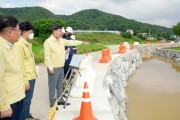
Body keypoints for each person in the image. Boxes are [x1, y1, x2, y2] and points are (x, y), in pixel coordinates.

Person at [44, 24, 89, 110]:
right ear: (54, 31)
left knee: (60, 84)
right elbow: (47, 56)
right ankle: (52, 103)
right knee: (52, 86)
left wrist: (82, 42)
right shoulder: (48, 42)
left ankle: (60, 100)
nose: (61, 33)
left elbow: (71, 42)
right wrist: (50, 68)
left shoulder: (61, 40)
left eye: (61, 31)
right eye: (60, 31)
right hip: (53, 68)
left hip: (61, 66)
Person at [0, 16, 25, 120]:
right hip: (8, 103)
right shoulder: (1, 49)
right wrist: (4, 106)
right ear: (9, 32)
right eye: (18, 30)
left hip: (16, 97)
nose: (20, 33)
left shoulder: (11, 46)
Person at [14, 21, 39, 120]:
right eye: (30, 32)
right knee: (25, 102)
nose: (32, 34)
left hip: (31, 76)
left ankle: (27, 116)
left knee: (28, 101)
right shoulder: (19, 45)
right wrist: (25, 81)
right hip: (27, 78)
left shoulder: (26, 44)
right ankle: (24, 117)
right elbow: (20, 65)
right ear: (24, 32)